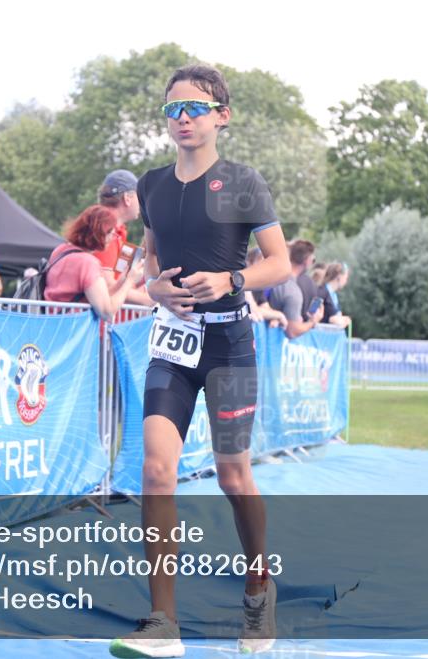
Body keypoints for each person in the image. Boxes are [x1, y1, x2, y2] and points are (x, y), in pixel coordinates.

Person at [110, 64, 291, 659]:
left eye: (194, 108)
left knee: (233, 474)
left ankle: (258, 586)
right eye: (172, 110)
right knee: (156, 472)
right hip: (171, 343)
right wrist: (155, 288)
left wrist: (232, 278)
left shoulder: (244, 182)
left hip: (230, 344)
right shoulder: (153, 184)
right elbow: (150, 256)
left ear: (221, 115)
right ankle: (164, 623)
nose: (182, 119)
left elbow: (279, 263)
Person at [43, 205, 143, 321]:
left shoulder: (61, 250)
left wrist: (122, 281)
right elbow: (107, 312)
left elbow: (98, 295)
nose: (112, 238)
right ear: (99, 234)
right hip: (74, 331)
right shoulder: (88, 263)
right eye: (110, 232)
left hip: (52, 325)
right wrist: (129, 282)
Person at [96, 169, 154, 307]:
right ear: (127, 198)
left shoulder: (115, 230)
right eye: (139, 196)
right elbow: (107, 287)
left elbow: (118, 278)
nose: (142, 203)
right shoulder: (106, 231)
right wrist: (148, 300)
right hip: (105, 325)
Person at [267, 239, 324, 339]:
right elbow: (292, 331)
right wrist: (312, 322)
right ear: (307, 261)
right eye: (313, 260)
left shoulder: (273, 276)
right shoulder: (293, 292)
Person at [245, 246, 288, 329]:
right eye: (261, 263)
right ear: (249, 263)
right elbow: (253, 310)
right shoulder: (240, 284)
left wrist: (273, 316)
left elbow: (265, 307)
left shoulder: (258, 285)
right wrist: (279, 315)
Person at [319, 262, 352, 328]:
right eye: (346, 278)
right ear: (339, 277)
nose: (346, 281)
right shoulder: (322, 292)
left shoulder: (333, 295)